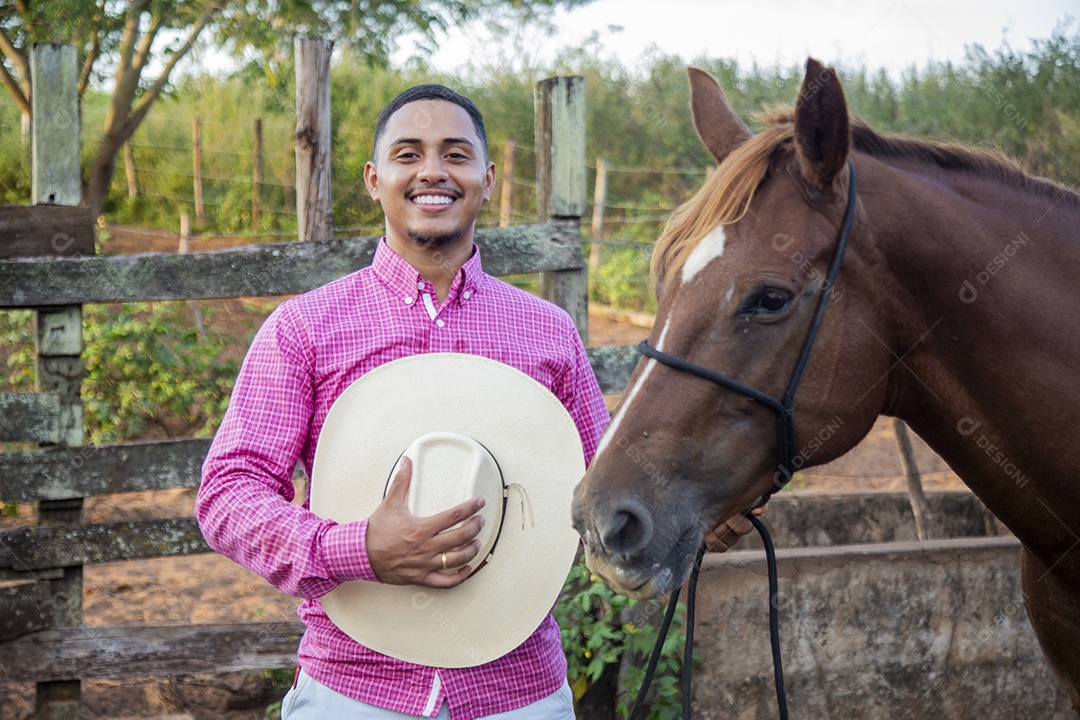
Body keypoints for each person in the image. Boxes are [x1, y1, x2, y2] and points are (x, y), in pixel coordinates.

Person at [196, 83, 758, 720]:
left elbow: (600, 495)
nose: (432, 171)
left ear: (487, 180)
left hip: (519, 695)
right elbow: (227, 494)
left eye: (455, 154)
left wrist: (694, 513)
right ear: (373, 179)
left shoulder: (548, 332)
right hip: (354, 691)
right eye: (408, 154)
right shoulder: (305, 328)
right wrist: (358, 549)